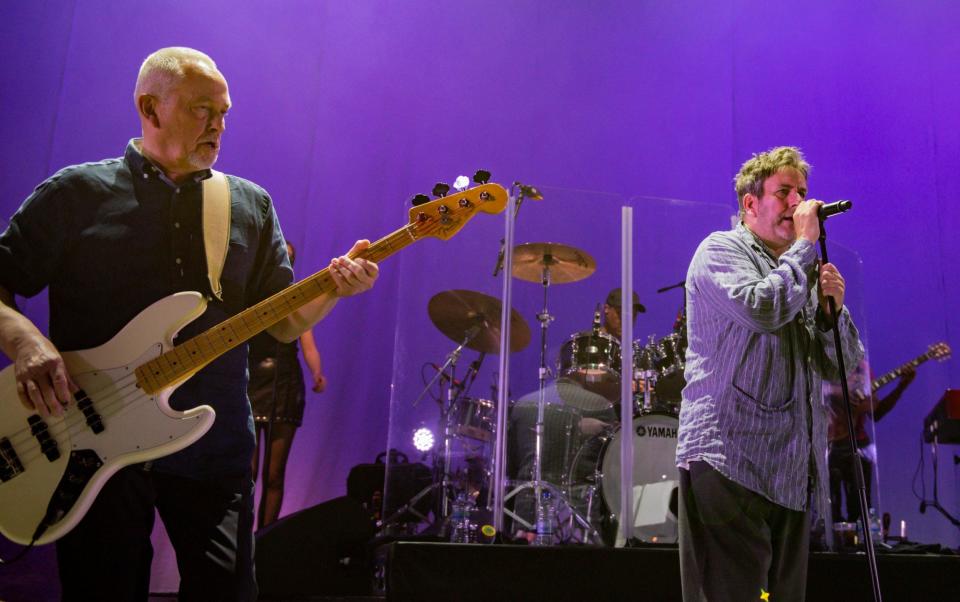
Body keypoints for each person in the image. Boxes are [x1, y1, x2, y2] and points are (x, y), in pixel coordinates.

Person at [0, 47, 378, 601]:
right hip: (87, 444)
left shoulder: (250, 204)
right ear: (150, 108)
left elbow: (287, 322)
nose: (219, 125)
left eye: (224, 112)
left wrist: (336, 290)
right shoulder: (76, 194)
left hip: (214, 447)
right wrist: (25, 341)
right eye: (204, 109)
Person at [676, 146, 864, 602]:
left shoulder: (800, 270)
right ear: (750, 204)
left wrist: (829, 314)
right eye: (784, 193)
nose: (799, 204)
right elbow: (763, 308)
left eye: (802, 193)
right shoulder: (720, 251)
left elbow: (845, 364)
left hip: (790, 471)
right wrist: (802, 248)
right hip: (729, 457)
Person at [250, 241, 327, 529]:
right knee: (247, 470)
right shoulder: (252, 294)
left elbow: (308, 343)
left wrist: (317, 373)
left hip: (284, 384)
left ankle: (265, 537)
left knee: (274, 473)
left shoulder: (296, 299)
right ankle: (239, 538)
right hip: (252, 379)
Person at [826, 359, 915, 525]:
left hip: (858, 445)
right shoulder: (822, 359)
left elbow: (877, 413)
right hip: (827, 445)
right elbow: (813, 390)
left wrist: (901, 386)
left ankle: (860, 546)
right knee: (829, 509)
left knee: (860, 510)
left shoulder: (862, 367)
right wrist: (838, 392)